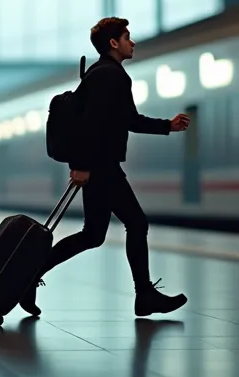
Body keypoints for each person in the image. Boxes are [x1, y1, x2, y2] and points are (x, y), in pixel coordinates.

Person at [19, 17, 191, 318]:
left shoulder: (104, 74)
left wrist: (168, 126)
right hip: (100, 165)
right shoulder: (111, 76)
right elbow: (91, 124)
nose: (132, 42)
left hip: (98, 163)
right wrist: (82, 165)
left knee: (93, 234)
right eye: (127, 36)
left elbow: (126, 119)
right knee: (136, 223)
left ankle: (26, 277)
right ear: (114, 43)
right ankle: (145, 295)